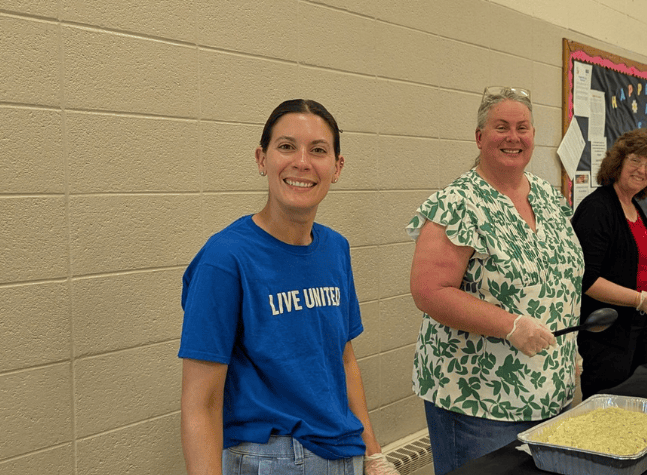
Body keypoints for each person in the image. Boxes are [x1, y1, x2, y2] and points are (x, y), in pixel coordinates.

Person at [179, 99, 398, 475]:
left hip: (344, 451)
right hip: (272, 458)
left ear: (337, 167)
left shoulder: (335, 249)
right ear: (262, 159)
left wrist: (373, 453)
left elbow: (344, 359)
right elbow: (202, 403)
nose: (302, 162)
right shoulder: (226, 258)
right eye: (286, 147)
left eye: (318, 150)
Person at [407, 87, 585, 475]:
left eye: (522, 128)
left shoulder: (548, 197)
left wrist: (570, 353)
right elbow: (429, 291)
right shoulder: (458, 203)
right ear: (479, 137)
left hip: (550, 393)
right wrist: (512, 324)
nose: (513, 137)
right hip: (478, 402)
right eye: (500, 127)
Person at [571, 129, 647, 399]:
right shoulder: (597, 208)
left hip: (641, 331)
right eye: (635, 160)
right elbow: (586, 280)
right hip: (608, 336)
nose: (642, 170)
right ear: (618, 162)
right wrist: (642, 300)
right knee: (609, 418)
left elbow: (642, 270)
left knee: (637, 414)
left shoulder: (634, 206)